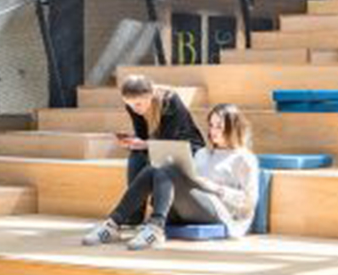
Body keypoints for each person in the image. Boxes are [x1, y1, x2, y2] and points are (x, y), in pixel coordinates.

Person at [85, 103, 260, 250]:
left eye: (219, 126)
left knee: (168, 170)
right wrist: (194, 181)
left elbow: (249, 202)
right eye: (211, 125)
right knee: (156, 168)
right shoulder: (202, 153)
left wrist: (215, 188)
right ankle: (113, 223)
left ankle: (155, 228)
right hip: (190, 205)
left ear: (233, 128)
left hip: (221, 214)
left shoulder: (244, 158)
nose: (213, 131)